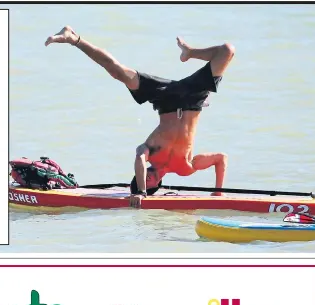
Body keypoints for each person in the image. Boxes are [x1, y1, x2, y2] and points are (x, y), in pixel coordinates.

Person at [44, 26, 235, 208]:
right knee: (227, 51)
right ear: (158, 185)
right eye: (148, 184)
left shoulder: (149, 153)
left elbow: (139, 158)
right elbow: (221, 158)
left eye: (141, 179)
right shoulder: (185, 167)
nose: (146, 180)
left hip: (165, 98)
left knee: (117, 71)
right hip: (193, 99)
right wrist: (218, 193)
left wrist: (141, 192)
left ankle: (73, 38)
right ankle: (190, 52)